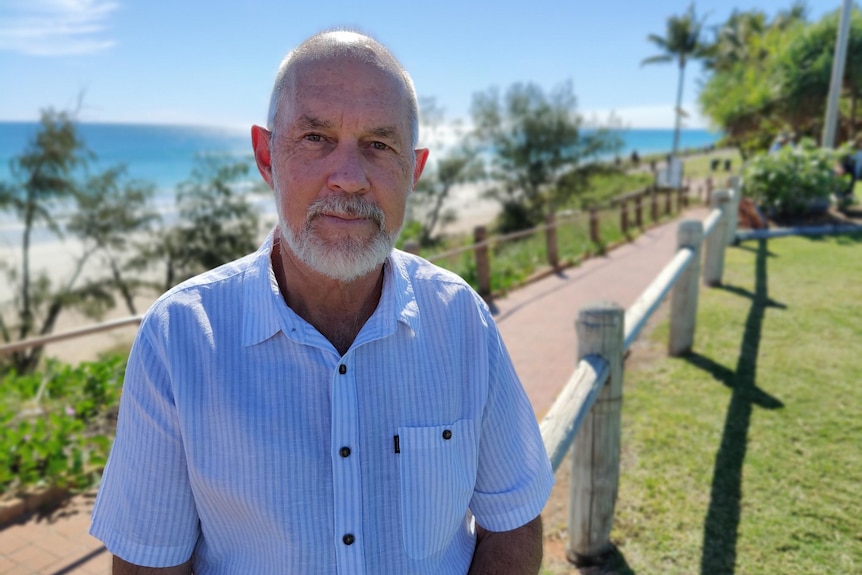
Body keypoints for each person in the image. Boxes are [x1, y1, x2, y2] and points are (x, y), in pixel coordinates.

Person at [90, 29, 554, 574]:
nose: (350, 178)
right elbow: (149, 563)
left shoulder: (462, 321)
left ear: (415, 170)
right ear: (266, 158)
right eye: (315, 137)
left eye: (379, 145)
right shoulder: (180, 337)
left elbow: (514, 520)